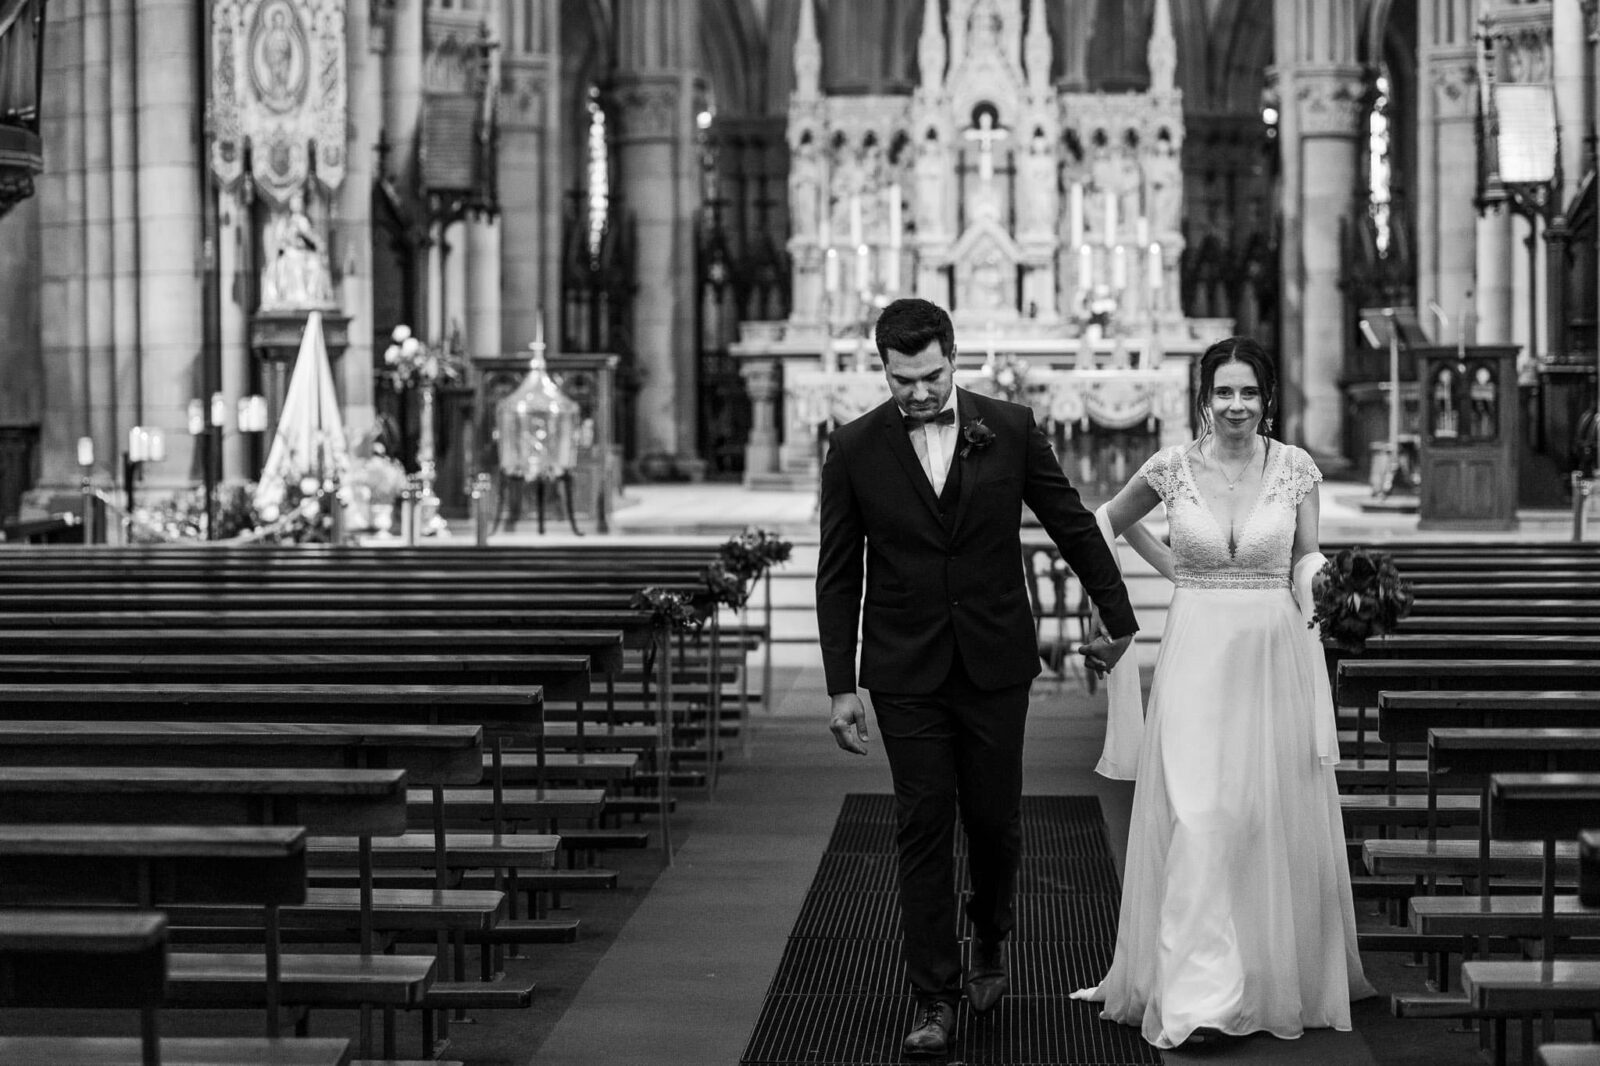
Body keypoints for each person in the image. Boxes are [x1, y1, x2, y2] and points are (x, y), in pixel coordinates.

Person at [817, 297, 1139, 1058]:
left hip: (993, 659)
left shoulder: (1012, 427)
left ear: (953, 359)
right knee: (921, 824)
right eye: (903, 381)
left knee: (995, 824)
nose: (919, 394)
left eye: (930, 377)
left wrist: (1118, 619)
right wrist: (840, 685)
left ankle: (990, 932)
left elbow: (1070, 521)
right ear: (883, 370)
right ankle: (934, 992)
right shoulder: (856, 446)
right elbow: (838, 574)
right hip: (904, 668)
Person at [1071, 336, 1373, 1049]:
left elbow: (1304, 558)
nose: (1235, 405)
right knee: (1200, 817)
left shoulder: (1296, 467)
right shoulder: (1171, 467)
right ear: (1202, 398)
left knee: (1254, 817)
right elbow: (1104, 523)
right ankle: (1199, 998)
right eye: (1222, 392)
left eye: (1248, 392)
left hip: (1272, 655)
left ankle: (1261, 977)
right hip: (1197, 653)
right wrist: (1167, 569)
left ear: (1266, 398)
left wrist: (1335, 588)